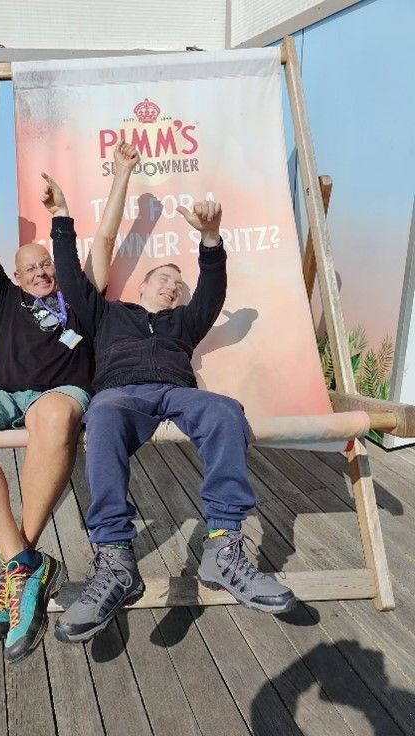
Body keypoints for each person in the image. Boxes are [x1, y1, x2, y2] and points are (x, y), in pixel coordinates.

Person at [38, 177, 297, 644]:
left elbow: (212, 290)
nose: (174, 288)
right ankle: (116, 559)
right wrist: (60, 216)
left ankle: (223, 547)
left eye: (179, 284)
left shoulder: (185, 321)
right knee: (104, 413)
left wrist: (211, 239)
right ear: (142, 284)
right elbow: (72, 280)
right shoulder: (108, 313)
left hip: (178, 393)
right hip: (123, 392)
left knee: (222, 410)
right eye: (165, 279)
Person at [0, 123, 139, 663]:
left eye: (46, 262)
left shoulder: (77, 296)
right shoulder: (3, 297)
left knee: (51, 413)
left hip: (62, 393)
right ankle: (24, 561)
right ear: (17, 277)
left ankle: (16, 569)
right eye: (32, 266)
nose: (42, 269)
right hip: (2, 394)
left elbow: (108, 239)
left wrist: (122, 175)